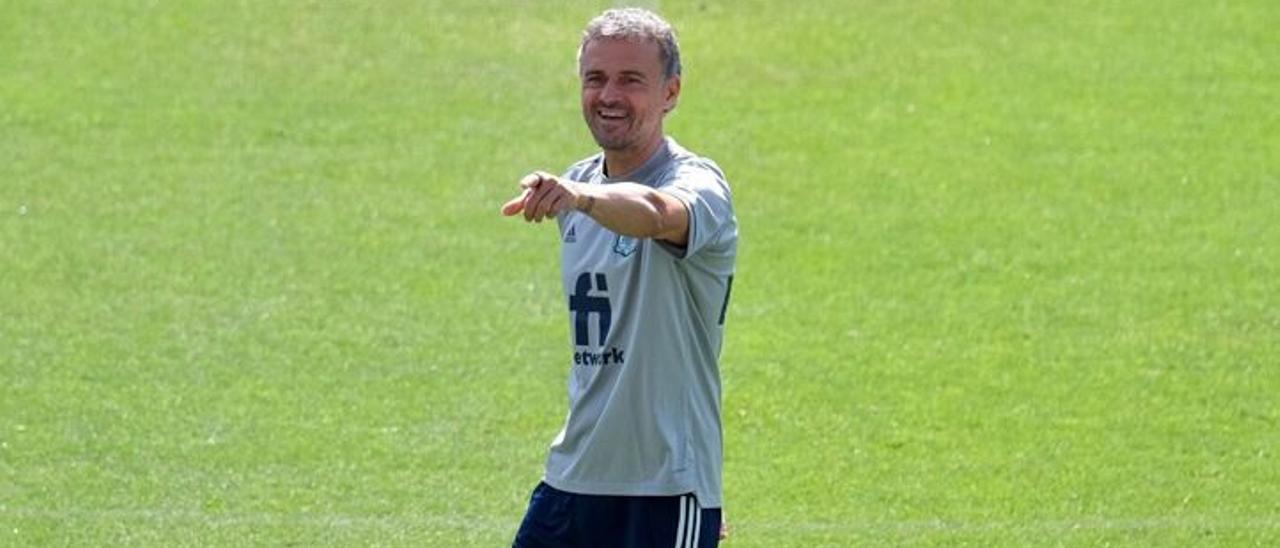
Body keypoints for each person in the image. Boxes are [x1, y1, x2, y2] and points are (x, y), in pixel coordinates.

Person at [501, 7, 738, 548]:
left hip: (663, 488)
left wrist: (582, 198)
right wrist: (578, 195)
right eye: (596, 78)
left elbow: (658, 213)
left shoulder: (698, 183)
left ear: (670, 92)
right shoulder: (577, 185)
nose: (609, 95)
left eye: (631, 80)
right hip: (573, 478)